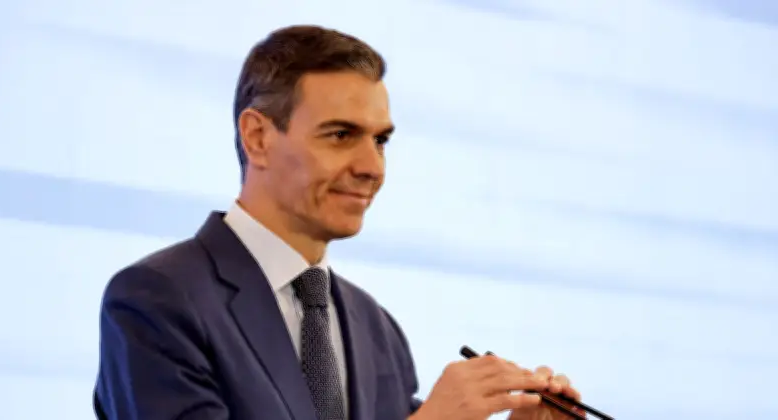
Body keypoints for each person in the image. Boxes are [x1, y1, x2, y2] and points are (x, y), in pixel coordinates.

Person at [93, 25, 582, 420]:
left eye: (380, 141)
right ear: (257, 137)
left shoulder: (374, 326)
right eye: (341, 135)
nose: (373, 167)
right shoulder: (157, 299)